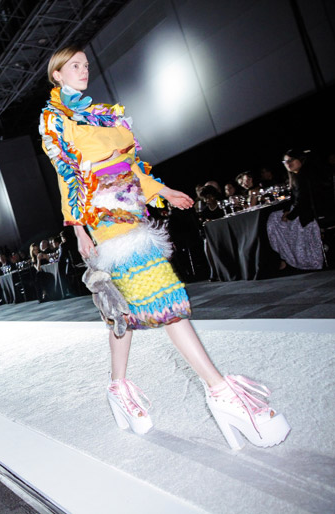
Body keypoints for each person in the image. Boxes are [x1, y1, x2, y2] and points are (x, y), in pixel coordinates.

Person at [39, 45, 289, 450]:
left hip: (133, 210)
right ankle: (220, 391)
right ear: (57, 75)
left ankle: (118, 387)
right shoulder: (56, 120)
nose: (84, 70)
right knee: (167, 300)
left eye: (86, 64)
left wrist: (164, 190)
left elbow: (131, 168)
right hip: (106, 219)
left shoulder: (102, 114)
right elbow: (66, 177)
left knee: (122, 310)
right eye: (75, 66)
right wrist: (78, 230)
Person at [266, 148, 324, 270]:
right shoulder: (296, 176)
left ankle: (291, 258)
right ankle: (285, 257)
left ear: (301, 159)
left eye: (291, 160)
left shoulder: (305, 175)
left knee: (275, 221)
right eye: (285, 162)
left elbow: (304, 200)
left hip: (311, 213)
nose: (288, 164)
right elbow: (294, 197)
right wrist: (288, 210)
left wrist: (290, 215)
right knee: (274, 218)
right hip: (302, 209)